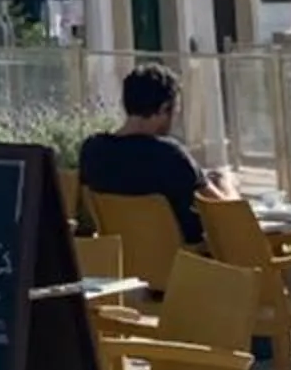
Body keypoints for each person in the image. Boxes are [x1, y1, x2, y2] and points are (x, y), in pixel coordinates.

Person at [78, 65, 227, 245]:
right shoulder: (170, 155)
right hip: (186, 263)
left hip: (124, 259)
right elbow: (225, 213)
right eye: (174, 112)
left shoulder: (93, 150)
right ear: (164, 108)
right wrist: (227, 184)